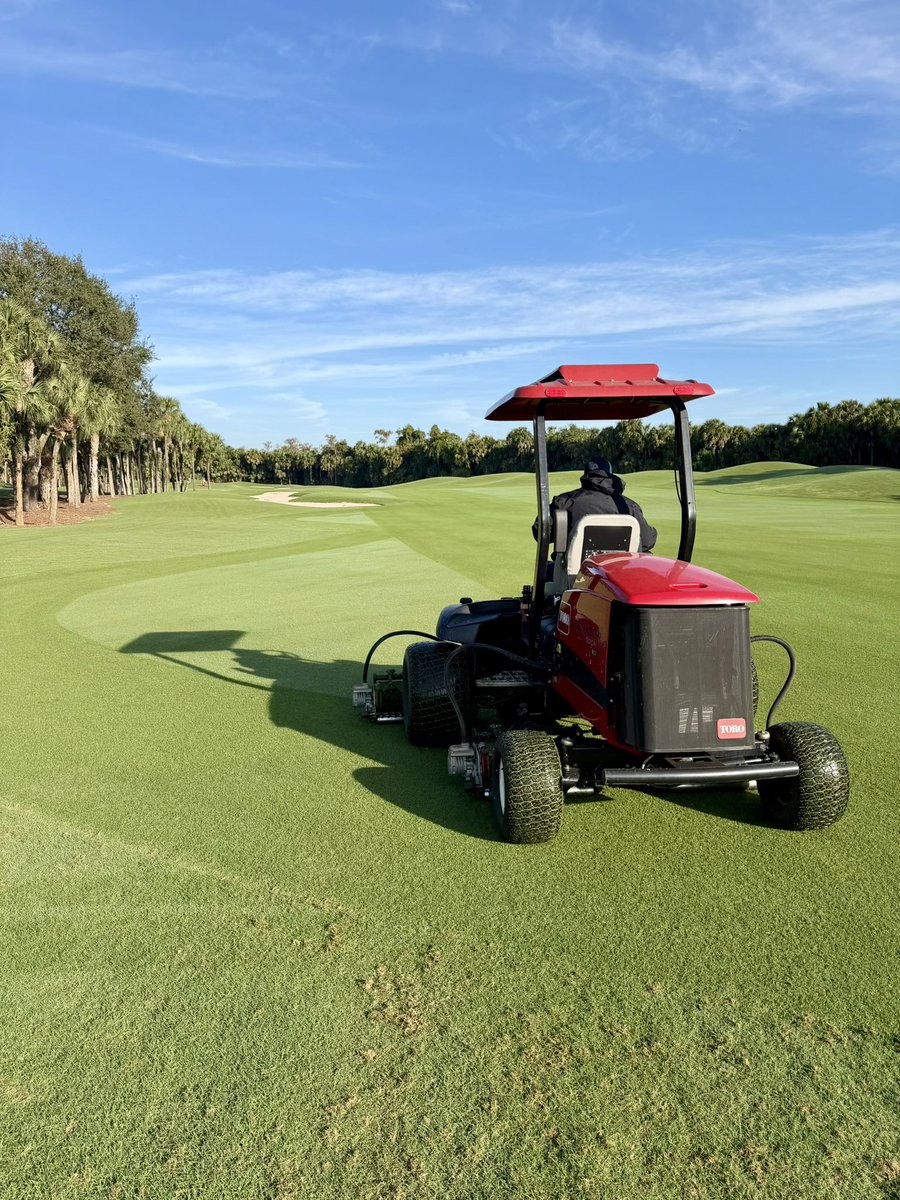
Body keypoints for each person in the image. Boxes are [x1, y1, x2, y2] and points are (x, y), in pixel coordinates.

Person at [536, 459, 657, 553]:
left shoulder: (563, 502)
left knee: (548, 570)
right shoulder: (628, 506)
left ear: (586, 475)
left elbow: (539, 533)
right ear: (609, 474)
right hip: (616, 573)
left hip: (573, 574)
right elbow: (648, 542)